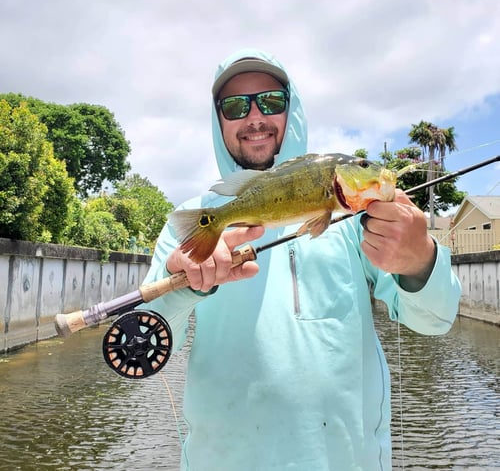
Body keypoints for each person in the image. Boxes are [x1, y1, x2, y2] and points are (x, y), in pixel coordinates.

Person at [141, 48, 461, 470]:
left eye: (270, 101)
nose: (254, 117)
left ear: (293, 111)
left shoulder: (358, 219)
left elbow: (435, 320)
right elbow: (147, 346)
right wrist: (184, 286)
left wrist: (421, 261)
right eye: (235, 106)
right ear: (218, 121)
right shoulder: (193, 221)